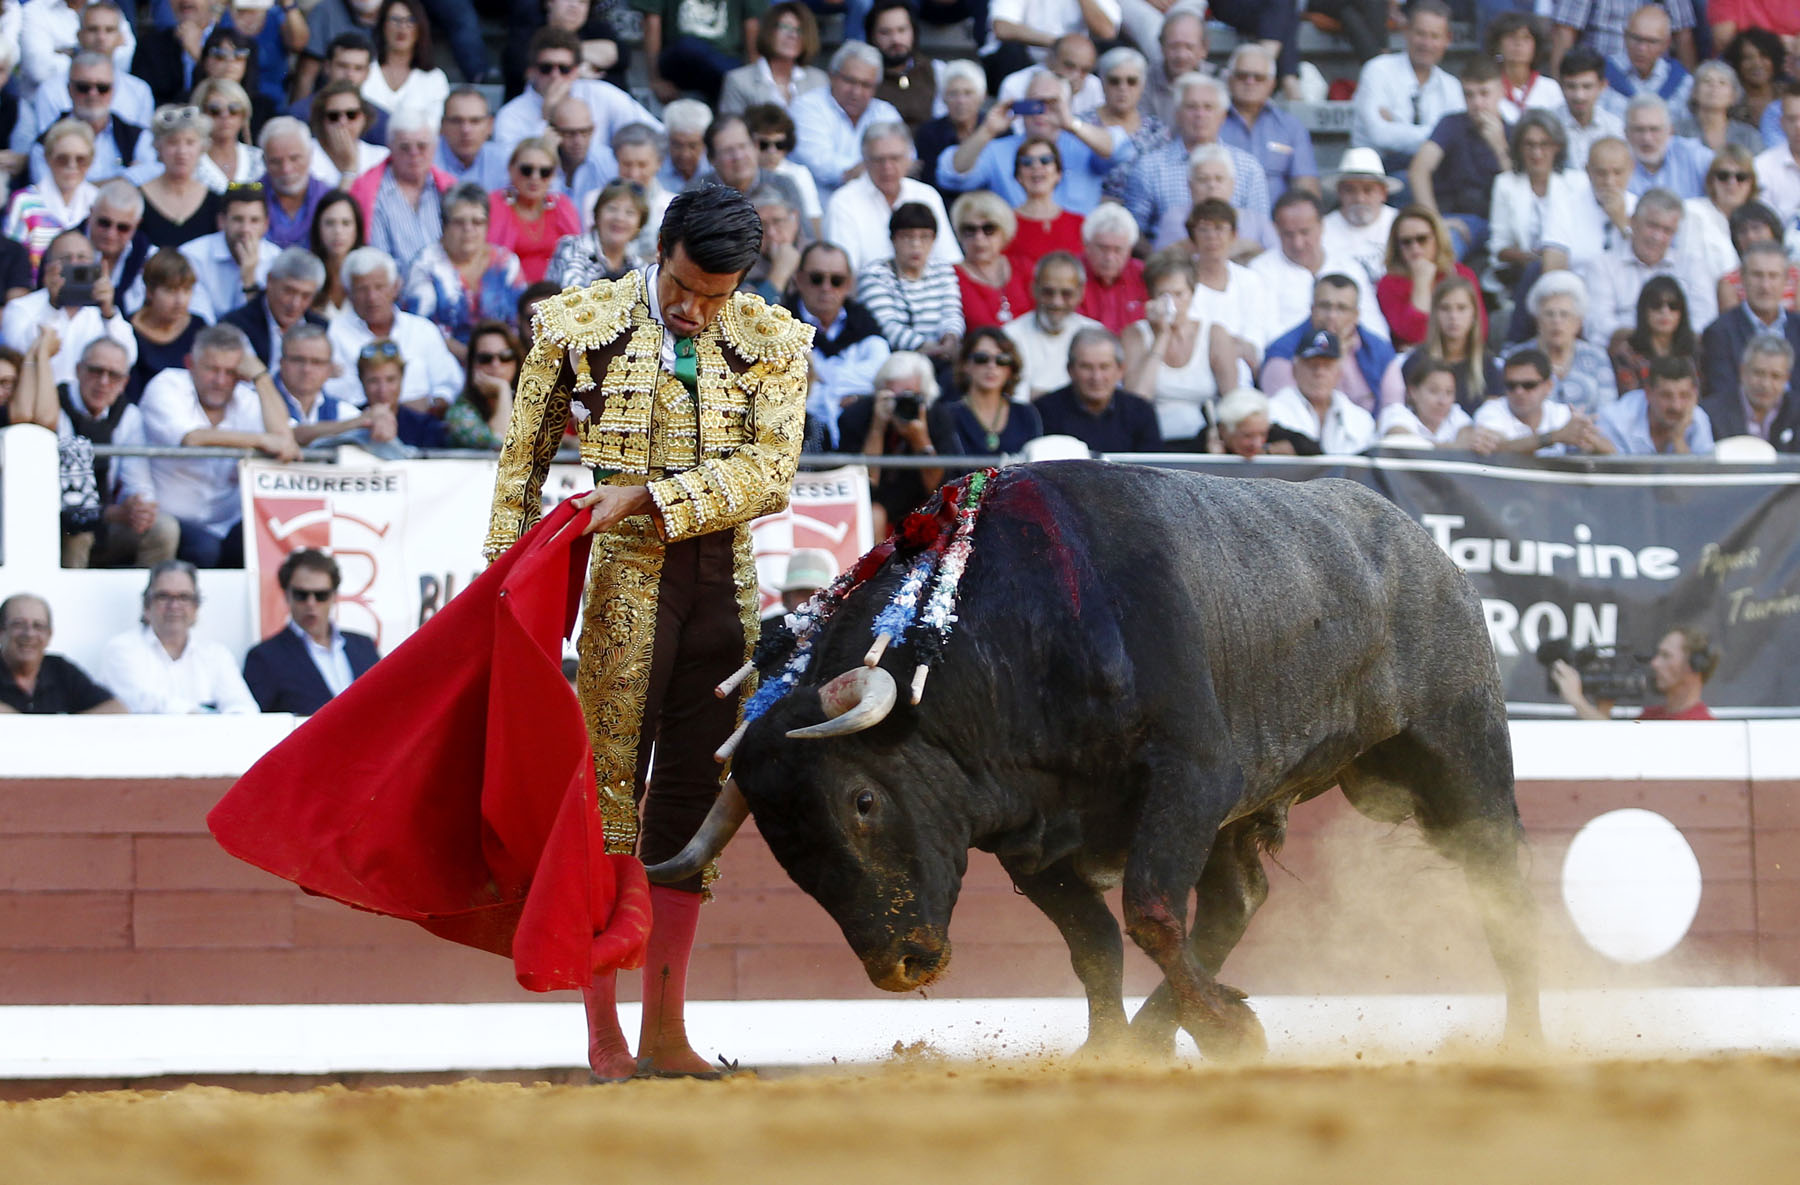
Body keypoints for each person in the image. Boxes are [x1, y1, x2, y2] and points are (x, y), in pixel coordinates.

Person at [482, 183, 812, 1079]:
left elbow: (771, 473)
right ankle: (604, 1034)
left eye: (716, 293)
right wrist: (504, 604)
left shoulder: (773, 339)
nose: (695, 308)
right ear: (658, 248)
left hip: (723, 593)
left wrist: (650, 495)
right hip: (624, 584)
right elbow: (521, 472)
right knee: (610, 799)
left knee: (691, 804)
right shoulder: (576, 323)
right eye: (683, 284)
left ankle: (666, 1029)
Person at [140, 323, 301, 567]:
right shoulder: (167, 384)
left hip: (229, 523)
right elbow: (192, 438)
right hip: (173, 519)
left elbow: (283, 438)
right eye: (212, 369)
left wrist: (262, 377)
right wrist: (260, 440)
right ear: (189, 364)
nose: (220, 380)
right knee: (205, 550)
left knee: (270, 538)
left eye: (230, 372)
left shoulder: (246, 397)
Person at [48, 335, 180, 568]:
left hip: (107, 521)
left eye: (114, 375)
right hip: (57, 522)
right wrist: (111, 513)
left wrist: (139, 507)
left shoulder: (128, 415)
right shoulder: (54, 405)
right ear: (78, 370)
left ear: (125, 382)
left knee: (164, 529)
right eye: (96, 371)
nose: (103, 382)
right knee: (79, 532)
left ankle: (153, 600)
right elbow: (67, 501)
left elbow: (138, 482)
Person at [939, 70, 1126, 217]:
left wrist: (1071, 123)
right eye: (1034, 103)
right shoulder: (999, 150)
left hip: (1077, 251)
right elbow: (952, 175)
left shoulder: (1085, 145)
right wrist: (987, 130)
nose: (1041, 112)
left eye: (1051, 103)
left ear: (1066, 106)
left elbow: (1120, 150)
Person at [1121, 72, 1264, 247]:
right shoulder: (1150, 167)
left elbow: (1260, 228)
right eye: (1191, 107)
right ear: (1177, 114)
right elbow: (1134, 230)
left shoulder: (1248, 168)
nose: (1200, 114)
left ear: (1223, 116)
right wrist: (1160, 263)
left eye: (1208, 107)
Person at [100, 560, 258, 713]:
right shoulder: (121, 649)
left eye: (184, 597)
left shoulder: (216, 655)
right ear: (147, 606)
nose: (174, 606)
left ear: (196, 607)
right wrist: (204, 718)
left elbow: (243, 707)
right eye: (164, 596)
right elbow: (145, 701)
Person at [242, 548, 382, 715]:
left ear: (334, 596)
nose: (311, 603)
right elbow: (255, 723)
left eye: (320, 595)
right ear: (287, 595)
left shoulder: (364, 646)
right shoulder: (264, 657)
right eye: (301, 595)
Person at [324, 246, 463, 409]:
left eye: (379, 287)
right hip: (361, 425)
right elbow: (335, 393)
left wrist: (431, 407)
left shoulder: (422, 330)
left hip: (422, 423)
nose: (372, 297)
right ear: (349, 293)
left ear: (395, 287)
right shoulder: (335, 332)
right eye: (362, 289)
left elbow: (449, 385)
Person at [1122, 247, 1235, 447]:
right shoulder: (1135, 334)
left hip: (1203, 441)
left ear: (1192, 292)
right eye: (1163, 295)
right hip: (1151, 441)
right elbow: (1136, 403)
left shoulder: (1215, 334)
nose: (1171, 304)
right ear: (1150, 296)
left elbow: (1233, 401)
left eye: (1178, 294)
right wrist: (1162, 335)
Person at [0, 228, 138, 390]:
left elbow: (129, 357)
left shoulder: (102, 314)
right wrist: (53, 306)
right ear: (48, 266)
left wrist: (108, 312)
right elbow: (18, 355)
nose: (74, 264)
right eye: (65, 258)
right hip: (38, 404)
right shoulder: (21, 307)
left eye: (82, 257)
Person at [401, 182, 526, 359]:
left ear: (487, 225)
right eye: (459, 222)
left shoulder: (506, 263)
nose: (468, 229)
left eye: (477, 222)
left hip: (501, 360)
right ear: (444, 225)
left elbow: (519, 323)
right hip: (443, 361)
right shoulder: (425, 265)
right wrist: (472, 360)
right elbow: (422, 328)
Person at [1409, 58, 1513, 263]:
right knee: (1444, 243)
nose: (1477, 103)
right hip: (1457, 218)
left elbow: (1521, 189)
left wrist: (1499, 147)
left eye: (1484, 93)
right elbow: (1418, 170)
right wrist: (1435, 221)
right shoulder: (1451, 124)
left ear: (1501, 91)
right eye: (1469, 95)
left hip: (1502, 223)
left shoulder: (1515, 132)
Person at [821, 121, 957, 277]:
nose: (887, 167)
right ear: (864, 161)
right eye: (879, 159)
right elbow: (844, 273)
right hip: (868, 297)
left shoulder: (927, 195)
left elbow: (949, 260)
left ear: (909, 158)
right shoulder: (843, 202)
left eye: (895, 158)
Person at [1249, 190, 1385, 344]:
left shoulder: (1349, 266)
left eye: (1305, 232)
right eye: (1288, 234)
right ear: (1276, 230)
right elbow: (1267, 333)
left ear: (1322, 226)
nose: (1298, 243)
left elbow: (1374, 325)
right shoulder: (1260, 270)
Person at [789, 241, 889, 448]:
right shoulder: (779, 324)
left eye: (836, 280)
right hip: (796, 435)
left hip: (856, 435)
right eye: (816, 279)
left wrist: (820, 380)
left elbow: (881, 376)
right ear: (799, 279)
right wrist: (844, 391)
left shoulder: (866, 325)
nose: (826, 288)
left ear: (849, 284)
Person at [1584, 188, 1717, 344]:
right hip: (1621, 355)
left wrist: (1667, 343)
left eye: (1667, 230)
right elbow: (1597, 324)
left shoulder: (1691, 265)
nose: (1657, 237)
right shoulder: (1602, 265)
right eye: (1652, 226)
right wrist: (1647, 341)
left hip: (1677, 354)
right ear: (1632, 222)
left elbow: (1705, 319)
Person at [834, 349, 945, 536]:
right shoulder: (856, 416)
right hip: (875, 503)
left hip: (921, 501)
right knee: (874, 513)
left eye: (909, 396)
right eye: (893, 396)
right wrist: (877, 428)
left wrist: (920, 438)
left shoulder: (938, 417)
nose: (901, 404)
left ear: (925, 396)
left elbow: (937, 487)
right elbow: (864, 485)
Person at [1350, 0, 1463, 177]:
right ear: (1406, 31)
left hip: (1432, 172)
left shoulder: (1452, 87)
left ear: (1447, 40)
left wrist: (1395, 125)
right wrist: (1437, 133)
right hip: (1376, 174)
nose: (1426, 43)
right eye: (1420, 34)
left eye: (1434, 36)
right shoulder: (1377, 70)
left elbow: (1455, 142)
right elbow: (1380, 136)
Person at [1261, 273, 1396, 414]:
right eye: (1325, 306)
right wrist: (1337, 359)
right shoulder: (1283, 353)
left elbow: (1393, 409)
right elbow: (1285, 414)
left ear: (1356, 315)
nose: (1332, 316)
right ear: (1312, 309)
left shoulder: (1379, 351)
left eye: (1342, 308)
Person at [790, 42, 905, 204]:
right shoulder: (806, 107)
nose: (856, 92)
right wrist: (877, 167)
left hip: (877, 207)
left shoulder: (885, 112)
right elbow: (822, 165)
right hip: (819, 211)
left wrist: (865, 169)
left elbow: (908, 158)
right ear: (832, 76)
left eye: (866, 85)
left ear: (876, 87)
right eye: (850, 81)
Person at [855, 201, 963, 369]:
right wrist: (928, 347)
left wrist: (950, 338)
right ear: (893, 239)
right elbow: (887, 325)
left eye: (924, 237)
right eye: (907, 237)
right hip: (896, 361)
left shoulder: (943, 270)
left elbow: (952, 313)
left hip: (943, 357)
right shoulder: (875, 274)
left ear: (934, 239)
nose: (916, 245)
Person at [24, 51, 153, 187]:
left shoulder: (139, 137)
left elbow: (155, 178)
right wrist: (126, 179)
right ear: (69, 90)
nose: (93, 94)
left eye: (102, 88)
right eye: (83, 87)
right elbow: (49, 190)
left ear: (113, 91)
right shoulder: (44, 143)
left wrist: (79, 186)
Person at [350, 102, 453, 274]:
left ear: (434, 147)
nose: (414, 154)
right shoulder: (367, 192)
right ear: (390, 147)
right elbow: (376, 259)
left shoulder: (450, 188)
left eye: (422, 146)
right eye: (405, 147)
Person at [1489, 111, 1583, 299]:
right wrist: (1532, 259)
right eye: (1529, 145)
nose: (1536, 153)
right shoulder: (1505, 184)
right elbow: (1499, 247)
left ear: (1557, 146)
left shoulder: (1577, 183)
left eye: (1544, 144)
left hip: (1570, 271)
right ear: (1519, 148)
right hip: (1522, 273)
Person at [1378, 274, 1499, 414]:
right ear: (1434, 314)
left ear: (1474, 314)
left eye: (1461, 308)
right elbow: (1401, 413)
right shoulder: (1416, 362)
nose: (1453, 316)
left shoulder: (1488, 364)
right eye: (1445, 308)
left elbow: (1493, 417)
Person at [1376, 205, 1487, 352]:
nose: (1415, 248)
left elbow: (1480, 329)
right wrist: (1422, 283)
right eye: (1406, 242)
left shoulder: (1461, 273)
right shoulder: (1388, 284)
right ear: (1397, 246)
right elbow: (1414, 335)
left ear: (1437, 239)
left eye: (1422, 239)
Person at [1699, 240, 1800, 401]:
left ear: (1786, 280)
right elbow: (1722, 397)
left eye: (1773, 276)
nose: (1765, 285)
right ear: (1742, 279)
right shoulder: (1719, 332)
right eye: (1757, 275)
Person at [1036, 325, 1161, 453]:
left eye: (1104, 367)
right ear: (1070, 369)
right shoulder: (1044, 412)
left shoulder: (1141, 411)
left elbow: (1151, 466)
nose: (1096, 377)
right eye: (1086, 367)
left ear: (1120, 370)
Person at [1552, 626, 1719, 720]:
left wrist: (1578, 701)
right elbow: (1615, 754)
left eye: (1666, 656)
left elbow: (1625, 753)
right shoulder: (1649, 716)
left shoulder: (1702, 726)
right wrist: (1603, 709)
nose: (1654, 663)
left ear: (1694, 665)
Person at [1512, 270, 1618, 416]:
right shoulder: (1517, 356)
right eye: (1549, 314)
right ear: (1537, 320)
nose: (1557, 321)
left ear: (1578, 322)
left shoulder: (1596, 356)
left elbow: (1608, 410)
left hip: (1588, 434)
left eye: (1564, 314)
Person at [1220, 41, 1316, 201]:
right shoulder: (1210, 121)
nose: (1250, 82)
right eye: (1242, 75)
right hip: (1224, 221)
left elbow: (1306, 184)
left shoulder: (1291, 127)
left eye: (1258, 77)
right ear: (1229, 79)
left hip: (1278, 223)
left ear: (1272, 84)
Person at [0, 592, 124, 715]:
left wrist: (63, 728)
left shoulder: (60, 669)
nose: (29, 634)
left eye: (38, 626)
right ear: (1, 632)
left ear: (49, 635)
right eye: (18, 624)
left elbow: (116, 708)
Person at [1005, 250, 1103, 399]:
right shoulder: (1010, 335)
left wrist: (1038, 394)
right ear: (1034, 289)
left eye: (1066, 294)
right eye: (1048, 292)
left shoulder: (1096, 334)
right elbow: (1017, 400)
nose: (1057, 302)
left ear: (1081, 293)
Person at [177, 182, 280, 323]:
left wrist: (249, 278)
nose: (246, 229)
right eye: (238, 219)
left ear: (265, 225)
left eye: (254, 221)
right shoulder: (192, 256)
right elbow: (200, 319)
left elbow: (267, 325)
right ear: (221, 221)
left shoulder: (277, 260)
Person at [1473, 346, 1606, 454]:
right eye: (1511, 385)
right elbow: (1498, 448)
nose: (1519, 392)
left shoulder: (1561, 413)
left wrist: (1590, 437)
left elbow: (1612, 453)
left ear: (1548, 386)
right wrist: (1554, 437)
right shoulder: (1491, 410)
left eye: (1528, 385)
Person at [931, 327, 1043, 455]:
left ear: (1010, 369)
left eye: (1001, 360)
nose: (992, 366)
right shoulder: (947, 415)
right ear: (966, 364)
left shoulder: (1026, 413)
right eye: (981, 358)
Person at [1266, 328, 1377, 455]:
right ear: (1294, 370)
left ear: (1339, 373)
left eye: (1327, 366)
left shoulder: (1361, 420)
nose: (1319, 372)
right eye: (1312, 365)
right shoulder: (1270, 412)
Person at [219, 244, 327, 374]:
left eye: (306, 296)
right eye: (289, 291)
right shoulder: (235, 325)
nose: (295, 303)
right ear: (270, 280)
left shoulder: (321, 328)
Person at [5, 117, 97, 268]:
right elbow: (12, 260)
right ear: (48, 158)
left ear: (91, 161)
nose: (72, 166)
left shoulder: (99, 202)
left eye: (81, 159)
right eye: (62, 159)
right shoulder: (24, 201)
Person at [488, 137, 581, 286]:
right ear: (511, 169)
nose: (535, 177)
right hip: (509, 296)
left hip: (557, 296)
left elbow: (577, 259)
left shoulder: (562, 206)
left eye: (545, 172)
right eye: (527, 170)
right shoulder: (494, 204)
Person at [635, 0, 761, 105]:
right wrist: (656, 80)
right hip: (680, 60)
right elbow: (651, 22)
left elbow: (753, 27)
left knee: (733, 76)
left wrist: (752, 82)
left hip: (725, 64)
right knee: (689, 46)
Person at [1319, 147, 1402, 299]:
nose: (1359, 199)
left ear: (1383, 193)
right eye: (1350, 191)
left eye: (1368, 190)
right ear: (1339, 193)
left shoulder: (1401, 224)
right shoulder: (1322, 229)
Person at [719, 1, 825, 116]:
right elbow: (731, 130)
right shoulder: (738, 81)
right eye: (785, 27)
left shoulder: (819, 81)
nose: (792, 35)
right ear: (768, 30)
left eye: (799, 30)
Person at [1595, 352, 1714, 454]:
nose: (1676, 406)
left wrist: (1678, 440)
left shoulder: (1698, 418)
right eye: (1666, 396)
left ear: (1694, 394)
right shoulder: (1615, 420)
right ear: (1648, 393)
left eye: (1684, 396)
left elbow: (1700, 477)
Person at [129, 249, 205, 405]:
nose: (180, 300)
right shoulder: (127, 330)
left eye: (186, 290)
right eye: (170, 290)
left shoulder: (199, 328)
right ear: (150, 292)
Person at [1593, 3, 1695, 118]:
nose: (1642, 48)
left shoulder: (1683, 83)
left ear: (1666, 44)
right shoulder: (1600, 75)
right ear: (1625, 36)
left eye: (1651, 41)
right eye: (1636, 38)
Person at [290, 30, 392, 143]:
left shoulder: (381, 121)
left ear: (367, 73)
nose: (349, 74)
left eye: (358, 68)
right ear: (327, 67)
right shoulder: (299, 114)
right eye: (343, 66)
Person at [1703, 332, 1800, 451]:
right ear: (1743, 371)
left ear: (1786, 379)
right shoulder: (1711, 413)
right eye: (1759, 373)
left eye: (1775, 376)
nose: (1765, 384)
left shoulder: (1796, 412)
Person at [544, 178, 647, 289]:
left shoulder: (639, 267)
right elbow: (571, 299)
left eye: (630, 213)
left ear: (639, 224)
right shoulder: (572, 247)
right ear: (597, 215)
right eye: (612, 209)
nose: (620, 218)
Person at [1608, 273, 1698, 396]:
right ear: (1644, 311)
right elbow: (1629, 399)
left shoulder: (1695, 349)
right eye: (1656, 305)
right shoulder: (1626, 353)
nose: (1665, 312)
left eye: (1673, 306)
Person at [952, 189, 1032, 327]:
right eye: (970, 229)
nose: (979, 238)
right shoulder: (951, 277)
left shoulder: (1023, 267)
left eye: (988, 229)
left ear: (1004, 231)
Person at [1003, 134, 1082, 273]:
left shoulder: (1080, 224)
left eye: (1045, 160)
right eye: (1027, 162)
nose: (1036, 166)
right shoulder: (1004, 225)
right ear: (1018, 176)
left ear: (1058, 173)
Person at [742, 103, 823, 233]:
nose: (772, 151)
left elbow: (813, 221)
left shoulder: (799, 174)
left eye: (779, 144)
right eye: (764, 144)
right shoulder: (741, 173)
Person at [278, 321, 361, 446]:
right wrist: (356, 423)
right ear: (282, 363)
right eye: (298, 360)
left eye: (316, 362)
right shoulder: (256, 401)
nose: (307, 369)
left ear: (329, 369)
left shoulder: (343, 410)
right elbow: (288, 434)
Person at [866, 0, 943, 132]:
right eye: (885, 32)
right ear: (872, 36)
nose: (895, 39)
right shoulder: (864, 78)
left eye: (902, 30)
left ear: (914, 32)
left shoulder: (937, 71)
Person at [258, 117, 335, 250]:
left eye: (294, 159)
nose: (286, 169)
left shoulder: (329, 198)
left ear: (310, 155)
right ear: (264, 161)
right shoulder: (249, 199)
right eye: (276, 161)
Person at [1376, 354, 1483, 448]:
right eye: (1434, 391)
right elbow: (1402, 440)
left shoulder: (1455, 414)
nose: (1442, 401)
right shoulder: (1396, 411)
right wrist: (1454, 447)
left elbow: (1469, 440)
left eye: (1449, 392)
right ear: (1413, 392)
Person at [443, 320, 519, 450]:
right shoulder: (459, 413)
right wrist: (502, 389)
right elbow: (502, 445)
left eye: (505, 356)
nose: (496, 365)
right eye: (485, 358)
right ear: (472, 365)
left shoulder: (529, 402)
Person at [361, 0, 445, 116]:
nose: (402, 27)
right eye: (395, 19)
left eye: (410, 20)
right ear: (383, 25)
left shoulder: (434, 78)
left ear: (420, 27)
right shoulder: (363, 70)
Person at [914, 57, 984, 194]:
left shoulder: (997, 130)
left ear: (982, 97)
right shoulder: (928, 133)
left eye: (968, 93)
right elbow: (930, 183)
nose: (961, 101)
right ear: (944, 98)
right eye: (953, 94)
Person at [1076, 200, 1146, 335]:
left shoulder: (1143, 275)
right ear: (1087, 245)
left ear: (1130, 250)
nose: (1109, 257)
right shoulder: (1071, 273)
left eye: (1118, 250)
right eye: (1102, 248)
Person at [1622, 93, 1710, 200]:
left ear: (1670, 131)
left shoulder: (1694, 155)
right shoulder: (1614, 164)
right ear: (1626, 133)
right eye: (1639, 130)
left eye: (1654, 129)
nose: (1647, 138)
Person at [1552, 45, 1624, 170]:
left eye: (1587, 87)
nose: (1579, 96)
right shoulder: (1549, 126)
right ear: (1561, 85)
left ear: (1602, 86)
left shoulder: (1614, 128)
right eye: (1571, 86)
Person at [1717, 200, 1796, 315]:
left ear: (1773, 231)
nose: (1750, 236)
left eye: (1756, 228)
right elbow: (1731, 328)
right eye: (1743, 231)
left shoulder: (1796, 277)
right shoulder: (1728, 283)